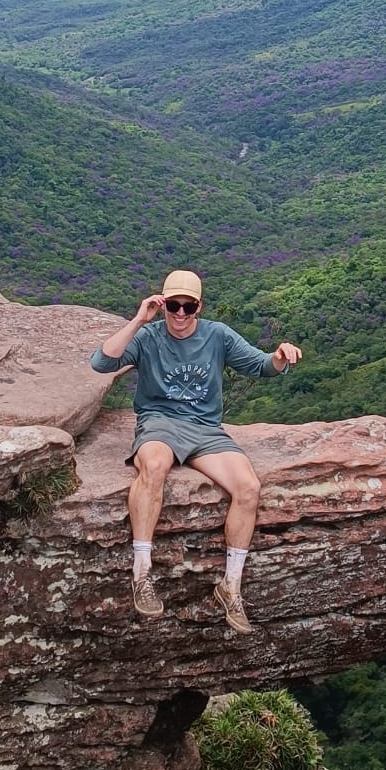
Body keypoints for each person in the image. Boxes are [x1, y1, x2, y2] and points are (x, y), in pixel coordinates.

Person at [91, 269, 302, 633]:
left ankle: (230, 587)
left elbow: (260, 365)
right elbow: (102, 362)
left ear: (199, 307)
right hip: (159, 423)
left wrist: (280, 357)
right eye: (173, 305)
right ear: (163, 303)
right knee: (154, 466)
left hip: (205, 429)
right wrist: (140, 319)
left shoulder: (217, 335)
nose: (180, 314)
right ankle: (142, 574)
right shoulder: (148, 336)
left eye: (188, 307)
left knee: (248, 488)